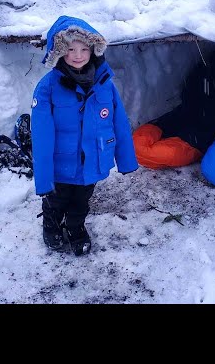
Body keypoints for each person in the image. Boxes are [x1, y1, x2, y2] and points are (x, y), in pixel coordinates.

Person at [30, 15, 139, 256]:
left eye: (83, 49)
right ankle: (51, 225)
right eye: (70, 49)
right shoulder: (47, 87)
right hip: (61, 165)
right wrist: (44, 177)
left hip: (92, 162)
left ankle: (76, 228)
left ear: (93, 50)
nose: (77, 55)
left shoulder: (104, 84)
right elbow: (41, 135)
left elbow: (119, 122)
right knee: (57, 201)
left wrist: (126, 159)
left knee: (81, 202)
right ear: (59, 51)